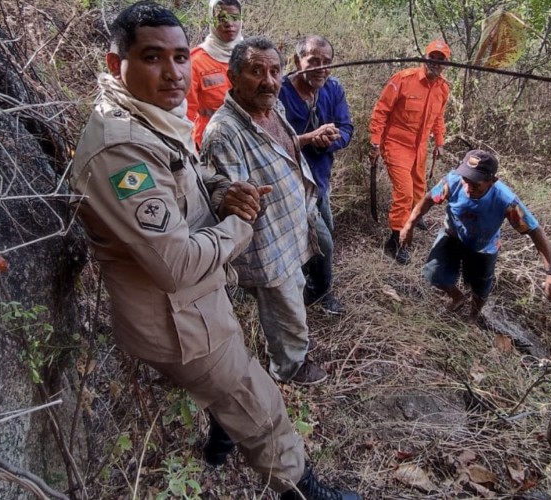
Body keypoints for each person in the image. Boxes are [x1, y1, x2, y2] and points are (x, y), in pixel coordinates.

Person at [68, 3, 360, 499]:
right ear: (117, 65)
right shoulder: (120, 151)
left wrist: (221, 192)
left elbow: (186, 178)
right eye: (153, 57)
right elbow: (176, 263)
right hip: (180, 320)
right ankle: (304, 489)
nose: (174, 72)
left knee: (227, 391)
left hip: (199, 301)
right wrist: (239, 224)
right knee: (259, 404)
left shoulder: (151, 121)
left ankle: (220, 436)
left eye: (181, 57)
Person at [201, 36, 333, 387]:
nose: (269, 80)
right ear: (233, 76)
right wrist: (229, 196)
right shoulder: (223, 133)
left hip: (292, 224)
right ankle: (290, 367)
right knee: (283, 304)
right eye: (256, 71)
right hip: (267, 240)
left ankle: (296, 343)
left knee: (295, 292)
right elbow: (225, 194)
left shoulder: (273, 108)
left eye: (274, 71)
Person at [400, 150, 551, 321]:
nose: (468, 188)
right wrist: (409, 225)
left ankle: (474, 315)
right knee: (434, 274)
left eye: (476, 184)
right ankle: (458, 297)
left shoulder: (506, 200)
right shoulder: (453, 181)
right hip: (452, 235)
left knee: (480, 289)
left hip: (483, 247)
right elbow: (428, 199)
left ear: (492, 181)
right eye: (466, 180)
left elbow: (535, 231)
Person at [279, 34, 354, 315]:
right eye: (314, 61)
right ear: (298, 61)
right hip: (289, 183)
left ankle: (308, 284)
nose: (321, 68)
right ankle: (319, 293)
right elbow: (270, 141)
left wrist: (331, 139)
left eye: (327, 62)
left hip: (320, 180)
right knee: (321, 240)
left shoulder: (333, 89)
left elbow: (347, 128)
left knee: (323, 235)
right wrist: (310, 138)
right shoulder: (279, 91)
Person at [369, 39, 452, 265]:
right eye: (431, 58)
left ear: (445, 63)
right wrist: (375, 140)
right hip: (396, 143)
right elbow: (381, 110)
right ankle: (395, 241)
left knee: (419, 189)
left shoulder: (443, 88)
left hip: (421, 146)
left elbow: (439, 118)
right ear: (424, 58)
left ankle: (414, 218)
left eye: (440, 60)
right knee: (404, 193)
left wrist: (440, 142)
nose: (435, 63)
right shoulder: (403, 79)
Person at [185, 0, 243, 149]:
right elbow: (186, 112)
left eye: (234, 17)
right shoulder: (196, 60)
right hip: (210, 140)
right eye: (221, 18)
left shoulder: (250, 54)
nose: (229, 23)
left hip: (246, 135)